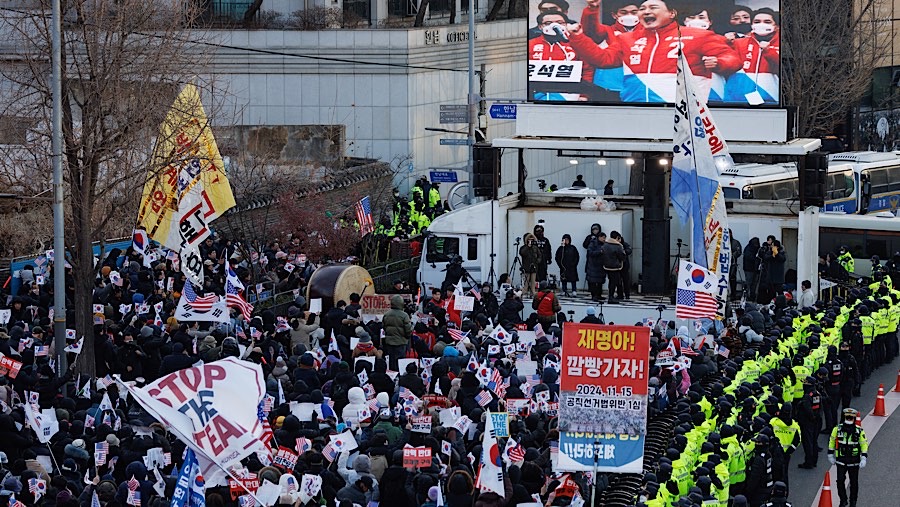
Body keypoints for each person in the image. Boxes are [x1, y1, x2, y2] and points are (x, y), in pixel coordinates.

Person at [568, 0, 741, 103]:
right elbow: (603, 59)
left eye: (653, 7)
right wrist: (578, 37)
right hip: (636, 107)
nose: (646, 11)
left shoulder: (698, 36)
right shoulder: (628, 39)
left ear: (671, 13)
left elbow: (732, 58)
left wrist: (720, 63)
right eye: (642, 9)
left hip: (683, 112)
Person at [724, 8, 780, 104]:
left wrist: (769, 51)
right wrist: (725, 43)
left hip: (772, 99)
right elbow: (725, 65)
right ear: (752, 25)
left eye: (767, 22)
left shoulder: (783, 44)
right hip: (737, 99)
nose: (761, 24)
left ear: (776, 26)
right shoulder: (738, 43)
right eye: (757, 22)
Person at [828, 408, 868, 507]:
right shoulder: (837, 429)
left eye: (851, 418)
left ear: (854, 419)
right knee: (840, 481)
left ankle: (853, 502)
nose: (849, 419)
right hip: (841, 460)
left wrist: (864, 457)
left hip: (854, 461)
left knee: (854, 483)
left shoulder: (859, 431)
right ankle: (843, 500)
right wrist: (830, 454)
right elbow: (832, 441)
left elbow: (863, 444)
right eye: (848, 417)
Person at [382, 295, 412, 370]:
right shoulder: (404, 315)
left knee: (391, 362)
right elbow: (408, 330)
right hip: (401, 342)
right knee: (400, 363)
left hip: (389, 342)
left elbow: (384, 327)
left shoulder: (386, 314)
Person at [599, 231, 626, 303]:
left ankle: (614, 296)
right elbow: (622, 256)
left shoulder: (605, 245)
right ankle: (611, 297)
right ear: (617, 237)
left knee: (612, 281)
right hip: (615, 267)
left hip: (607, 266)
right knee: (614, 282)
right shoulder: (618, 246)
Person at [610, 231, 632, 299]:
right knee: (618, 282)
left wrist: (623, 252)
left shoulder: (624, 244)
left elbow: (629, 250)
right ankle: (620, 294)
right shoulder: (612, 244)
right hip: (616, 266)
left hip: (624, 265)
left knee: (626, 281)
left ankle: (627, 294)